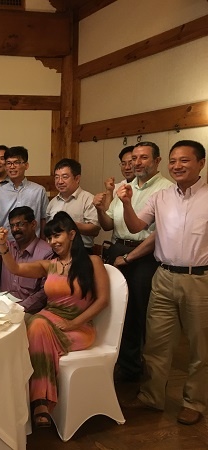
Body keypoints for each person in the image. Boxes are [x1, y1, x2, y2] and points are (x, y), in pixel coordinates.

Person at [118, 140, 208, 426]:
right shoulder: (162, 197)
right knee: (156, 343)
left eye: (185, 160)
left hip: (200, 280)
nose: (177, 166)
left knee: (199, 347)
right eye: (173, 161)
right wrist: (126, 202)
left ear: (201, 163)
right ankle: (151, 396)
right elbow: (135, 227)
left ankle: (194, 402)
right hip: (163, 276)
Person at [0, 211, 109, 428]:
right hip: (48, 320)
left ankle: (40, 402)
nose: (53, 242)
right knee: (20, 325)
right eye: (49, 238)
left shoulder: (93, 261)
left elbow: (102, 300)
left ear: (72, 235)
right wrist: (3, 246)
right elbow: (15, 268)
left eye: (57, 236)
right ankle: (14, 394)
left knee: (36, 325)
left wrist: (74, 323)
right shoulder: (50, 265)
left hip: (77, 327)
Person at [94, 141, 172, 383]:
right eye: (134, 158)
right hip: (117, 249)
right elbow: (109, 225)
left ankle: (135, 371)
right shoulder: (124, 187)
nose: (137, 163)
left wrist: (128, 258)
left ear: (157, 161)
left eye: (143, 158)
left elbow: (156, 234)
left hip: (143, 255)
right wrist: (99, 208)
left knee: (138, 312)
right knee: (115, 309)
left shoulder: (165, 190)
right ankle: (118, 361)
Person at [0, 206, 54, 314]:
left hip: (28, 311)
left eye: (20, 224)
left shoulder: (47, 252)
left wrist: (19, 308)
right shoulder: (7, 247)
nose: (15, 229)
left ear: (33, 224)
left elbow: (44, 293)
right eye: (12, 225)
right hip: (1, 306)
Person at [0, 146, 48, 239]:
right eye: (9, 163)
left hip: (33, 245)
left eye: (16, 162)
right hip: (6, 243)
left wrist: (43, 243)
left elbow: (44, 219)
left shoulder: (39, 191)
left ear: (26, 165)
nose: (12, 166)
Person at [47, 158, 99, 253]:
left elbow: (94, 229)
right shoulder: (52, 202)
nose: (60, 181)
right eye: (57, 177)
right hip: (55, 251)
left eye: (65, 177)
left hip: (81, 251)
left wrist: (68, 225)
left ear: (77, 178)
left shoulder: (88, 199)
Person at [96, 146, 135, 211]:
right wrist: (109, 191)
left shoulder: (143, 186)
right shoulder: (117, 187)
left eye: (130, 163)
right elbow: (108, 215)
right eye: (123, 164)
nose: (127, 167)